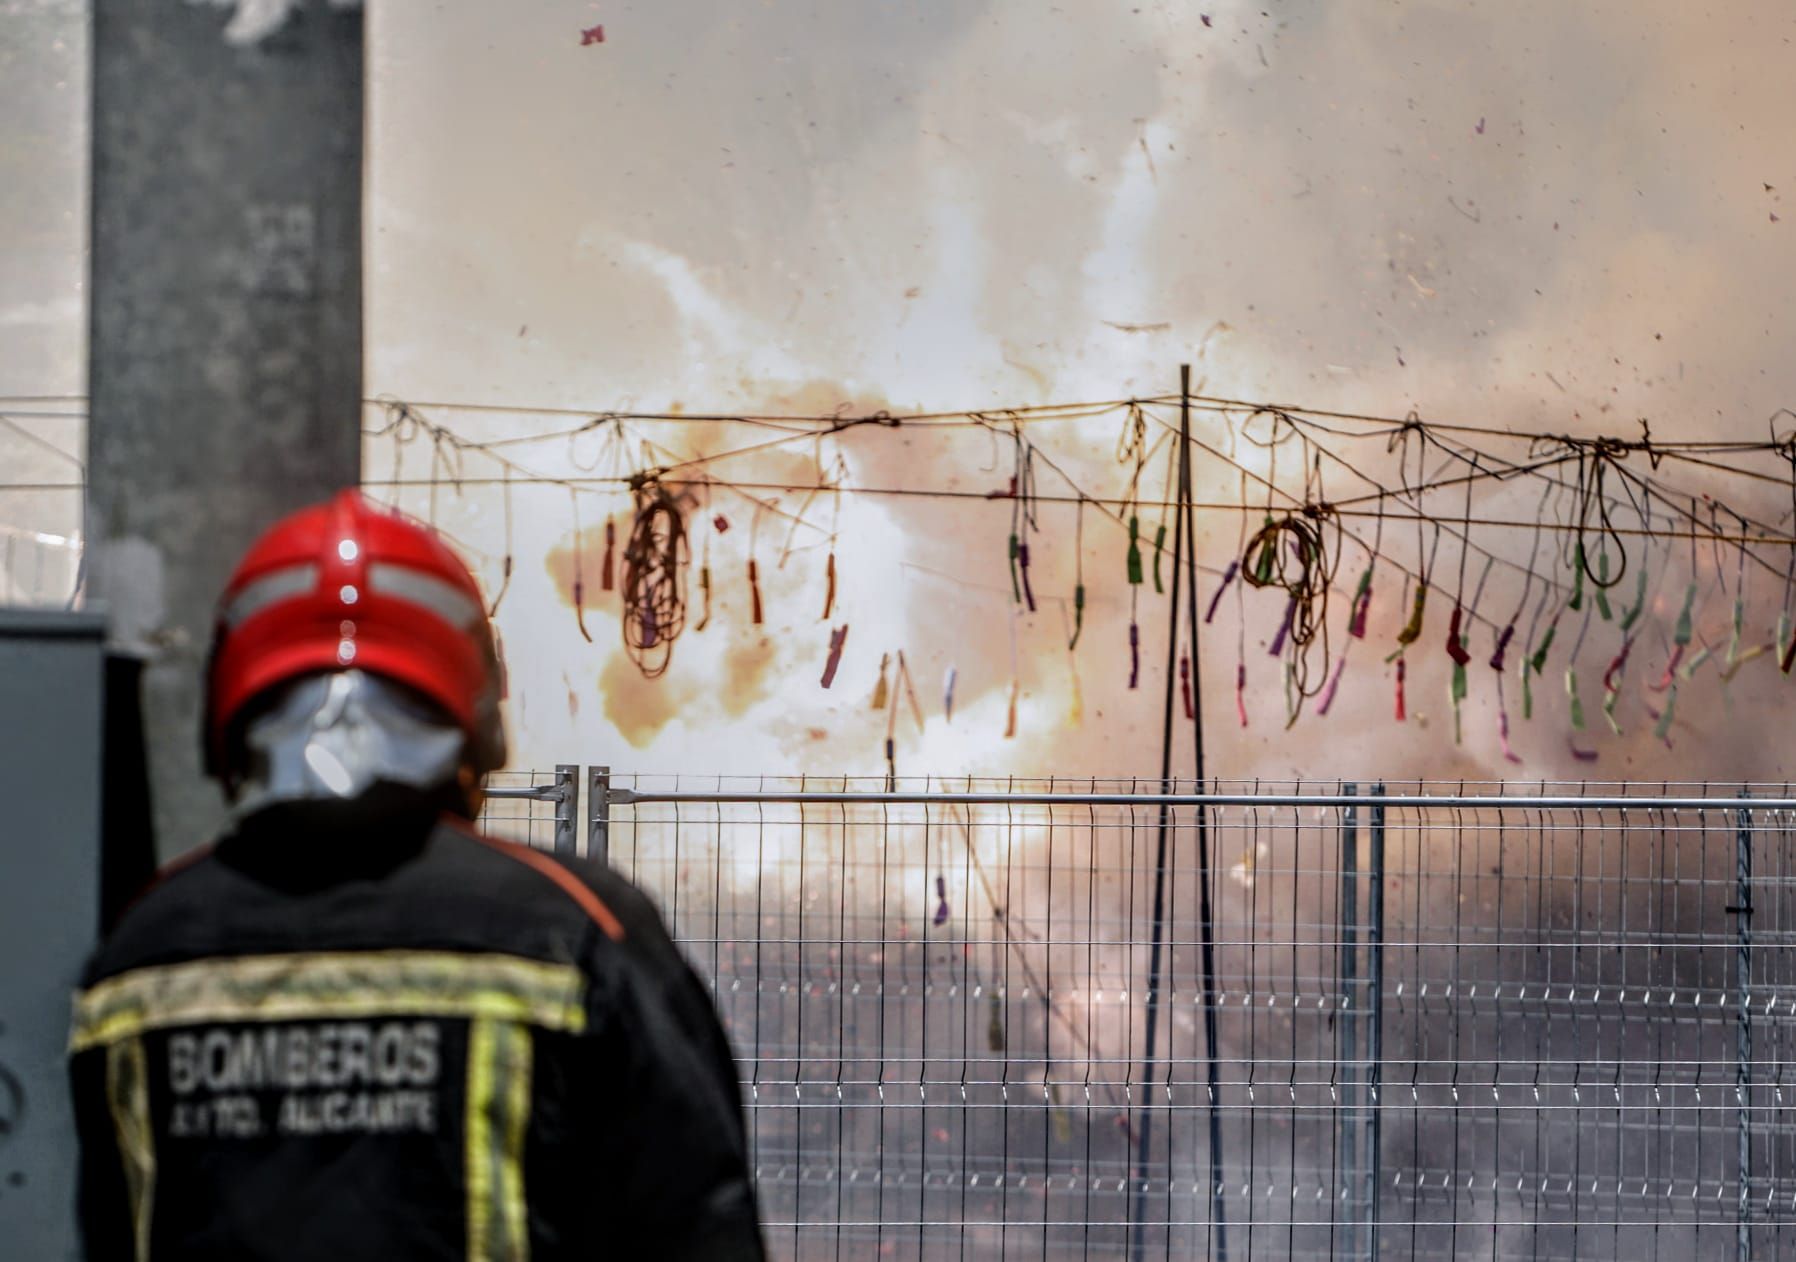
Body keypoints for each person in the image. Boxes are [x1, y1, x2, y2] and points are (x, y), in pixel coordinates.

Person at [68, 490, 765, 1260]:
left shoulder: (145, 951)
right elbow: (697, 1226)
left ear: (229, 715)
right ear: (476, 715)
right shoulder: (574, 929)